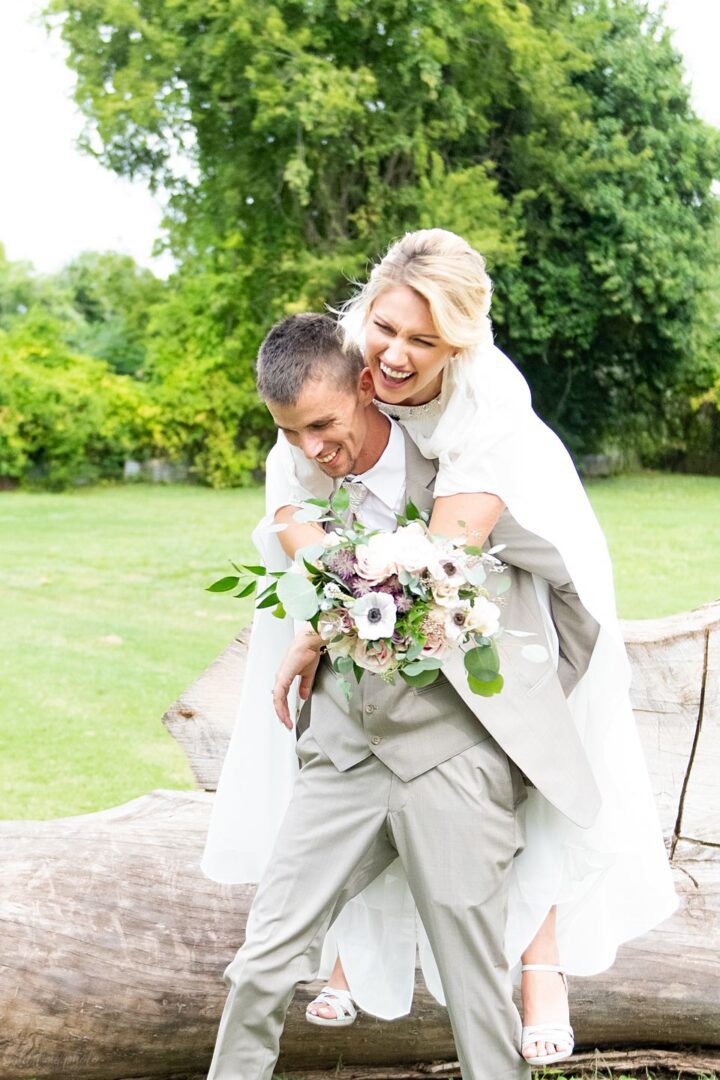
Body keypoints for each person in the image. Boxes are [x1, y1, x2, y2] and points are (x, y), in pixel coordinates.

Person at [202, 230, 678, 1066]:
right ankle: (338, 969)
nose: (395, 354)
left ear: (456, 343)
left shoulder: (485, 409)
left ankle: (543, 966)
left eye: (424, 341)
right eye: (386, 329)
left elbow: (437, 562)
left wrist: (315, 629)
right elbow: (295, 486)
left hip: (490, 597)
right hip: (363, 711)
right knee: (269, 949)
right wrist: (309, 589)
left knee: (488, 900)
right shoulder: (337, 371)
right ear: (365, 315)